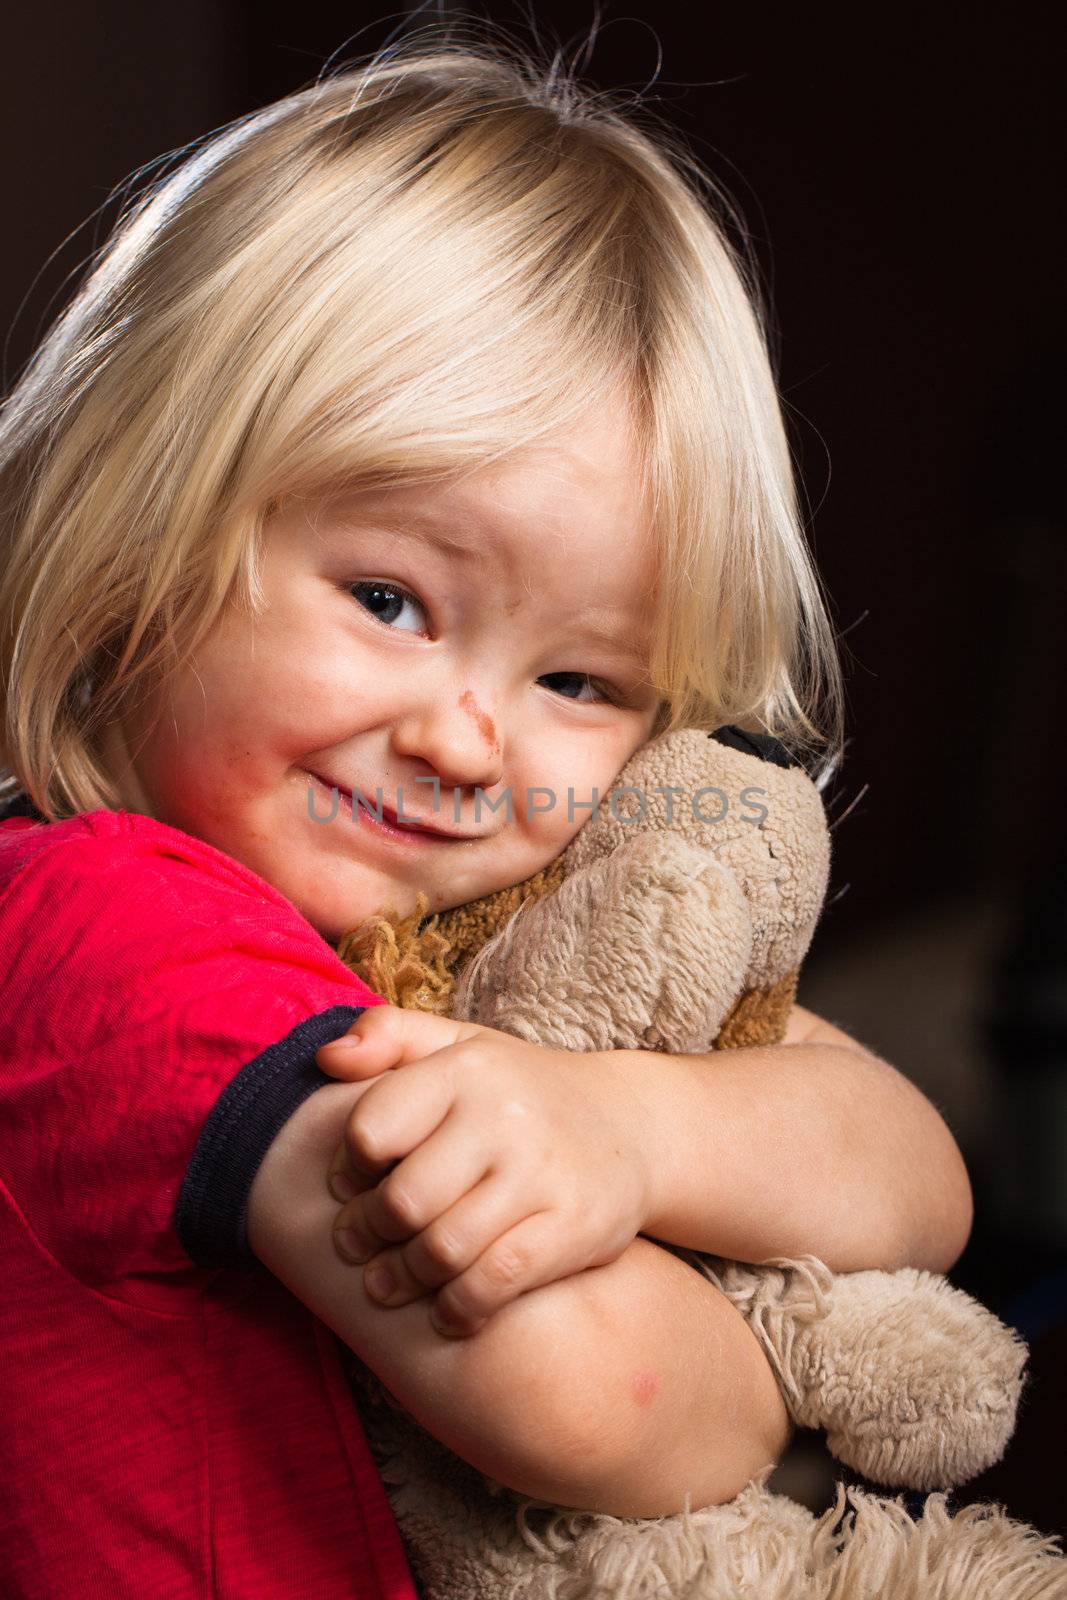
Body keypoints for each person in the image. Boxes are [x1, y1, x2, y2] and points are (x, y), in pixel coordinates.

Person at [0, 27, 974, 1598]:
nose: (471, 742)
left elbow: (915, 1176)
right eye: (391, 598)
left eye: (584, 683)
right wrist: (772, 1345)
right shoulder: (109, 929)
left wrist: (624, 1129)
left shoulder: (492, 930)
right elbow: (597, 1406)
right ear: (139, 539)